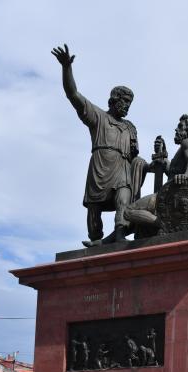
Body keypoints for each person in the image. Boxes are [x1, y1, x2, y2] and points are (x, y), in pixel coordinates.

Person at [51, 44, 151, 243]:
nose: (127, 108)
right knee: (94, 209)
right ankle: (96, 239)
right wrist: (66, 68)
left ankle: (121, 234)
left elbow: (133, 159)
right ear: (113, 101)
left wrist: (147, 166)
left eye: (130, 104)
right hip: (100, 168)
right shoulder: (98, 118)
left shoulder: (130, 127)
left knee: (124, 198)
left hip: (122, 169)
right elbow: (73, 95)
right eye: (124, 103)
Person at [86, 114, 188, 244]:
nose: (176, 130)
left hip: (176, 197)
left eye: (180, 127)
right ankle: (107, 240)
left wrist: (186, 176)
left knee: (129, 212)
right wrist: (164, 159)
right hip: (178, 195)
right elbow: (174, 172)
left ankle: (163, 222)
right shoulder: (184, 149)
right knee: (137, 221)